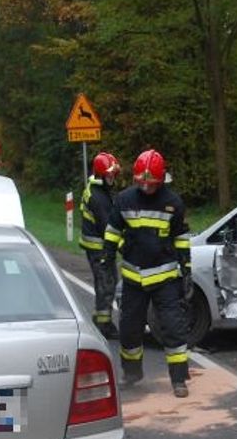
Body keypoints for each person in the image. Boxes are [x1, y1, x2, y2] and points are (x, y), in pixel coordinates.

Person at [104, 149, 192, 398]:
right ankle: (132, 374)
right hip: (133, 277)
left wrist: (186, 269)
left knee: (173, 328)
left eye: (150, 183)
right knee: (129, 329)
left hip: (165, 277)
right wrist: (106, 257)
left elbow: (181, 237)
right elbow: (113, 230)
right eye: (141, 183)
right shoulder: (124, 199)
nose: (145, 188)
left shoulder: (173, 203)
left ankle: (178, 379)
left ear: (161, 179)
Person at [80, 152, 122, 338]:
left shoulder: (98, 189)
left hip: (97, 248)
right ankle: (104, 325)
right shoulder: (98, 197)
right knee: (107, 283)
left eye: (113, 174)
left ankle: (100, 317)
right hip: (99, 249)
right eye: (109, 175)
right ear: (100, 175)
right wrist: (125, 246)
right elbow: (108, 227)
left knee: (106, 281)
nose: (112, 178)